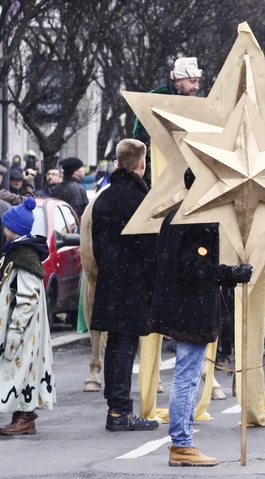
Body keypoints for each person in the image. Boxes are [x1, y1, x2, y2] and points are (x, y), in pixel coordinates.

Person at [147, 168, 252, 466]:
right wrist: (229, 274)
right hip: (190, 308)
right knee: (187, 377)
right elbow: (194, 268)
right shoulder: (200, 218)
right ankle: (181, 444)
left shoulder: (176, 213)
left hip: (178, 305)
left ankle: (182, 443)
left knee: (186, 375)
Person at [89, 139, 160, 432]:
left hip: (110, 280)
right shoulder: (141, 201)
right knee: (124, 346)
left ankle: (116, 408)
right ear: (141, 164)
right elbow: (150, 251)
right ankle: (120, 412)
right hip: (133, 284)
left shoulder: (103, 199)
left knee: (115, 345)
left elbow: (97, 247)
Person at [0, 198, 56, 435]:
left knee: (19, 368)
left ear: (13, 229)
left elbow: (27, 298)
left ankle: (25, 416)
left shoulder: (23, 259)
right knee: (21, 370)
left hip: (23, 329)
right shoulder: (18, 253)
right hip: (23, 328)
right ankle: (23, 415)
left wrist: (14, 330)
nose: (3, 229)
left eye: (5, 225)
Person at [133, 57, 202, 187]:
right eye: (192, 82)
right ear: (177, 81)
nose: (196, 87)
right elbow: (140, 138)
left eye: (197, 82)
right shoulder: (154, 98)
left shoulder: (195, 103)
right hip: (158, 175)